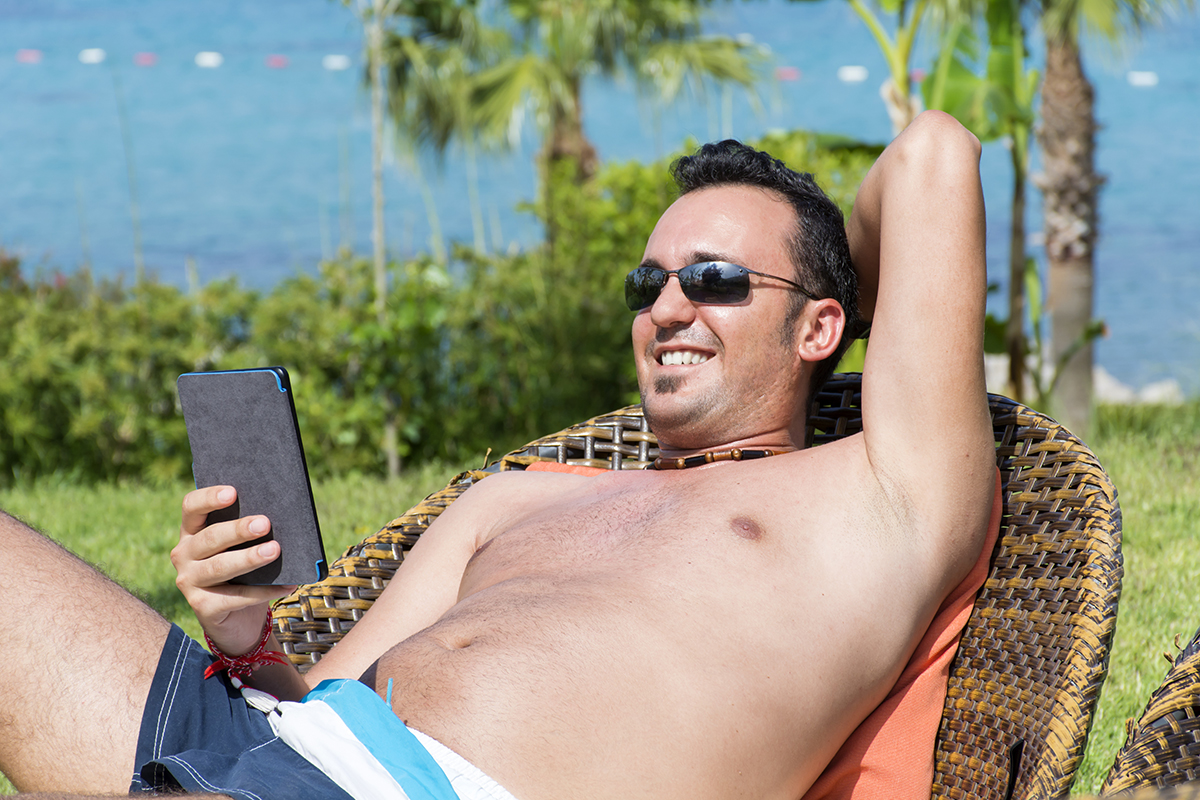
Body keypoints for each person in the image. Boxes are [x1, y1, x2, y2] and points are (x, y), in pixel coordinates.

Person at [0, 110, 995, 800]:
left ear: (825, 324)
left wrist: (833, 287)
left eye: (718, 278)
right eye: (648, 282)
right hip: (277, 751)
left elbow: (932, 158)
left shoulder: (879, 497)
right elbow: (318, 694)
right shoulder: (514, 499)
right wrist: (245, 633)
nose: (668, 306)